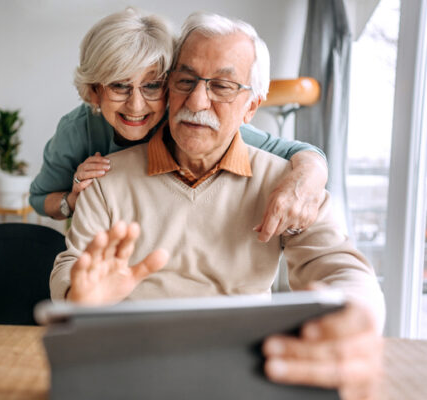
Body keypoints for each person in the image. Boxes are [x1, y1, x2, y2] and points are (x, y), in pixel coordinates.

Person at [51, 12, 385, 399]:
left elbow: (339, 265)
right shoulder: (106, 179)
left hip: (243, 373)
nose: (197, 100)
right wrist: (80, 296)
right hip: (133, 370)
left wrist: (357, 318)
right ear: (170, 87)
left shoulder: (286, 186)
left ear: (251, 107)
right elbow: (72, 267)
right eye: (186, 80)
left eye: (223, 86)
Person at [29, 8, 329, 242]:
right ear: (95, 90)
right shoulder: (77, 129)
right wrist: (73, 199)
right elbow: (40, 199)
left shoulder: (188, 121)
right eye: (120, 86)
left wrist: (305, 182)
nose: (136, 106)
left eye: (152, 86)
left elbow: (302, 153)